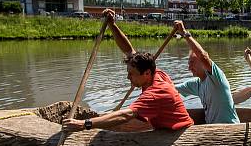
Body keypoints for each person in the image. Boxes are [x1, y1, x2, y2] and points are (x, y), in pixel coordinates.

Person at [62, 9, 193, 132]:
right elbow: (128, 50)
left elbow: (126, 115)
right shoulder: (155, 73)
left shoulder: (155, 92)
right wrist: (112, 25)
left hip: (179, 134)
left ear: (147, 73)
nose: (128, 78)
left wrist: (84, 124)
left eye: (131, 74)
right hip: (164, 128)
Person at [172, 21, 239, 124]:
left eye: (192, 63)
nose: (189, 68)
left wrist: (184, 33)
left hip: (230, 129)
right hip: (212, 131)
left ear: (202, 63)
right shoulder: (196, 84)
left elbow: (203, 56)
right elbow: (172, 88)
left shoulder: (216, 77)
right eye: (188, 64)